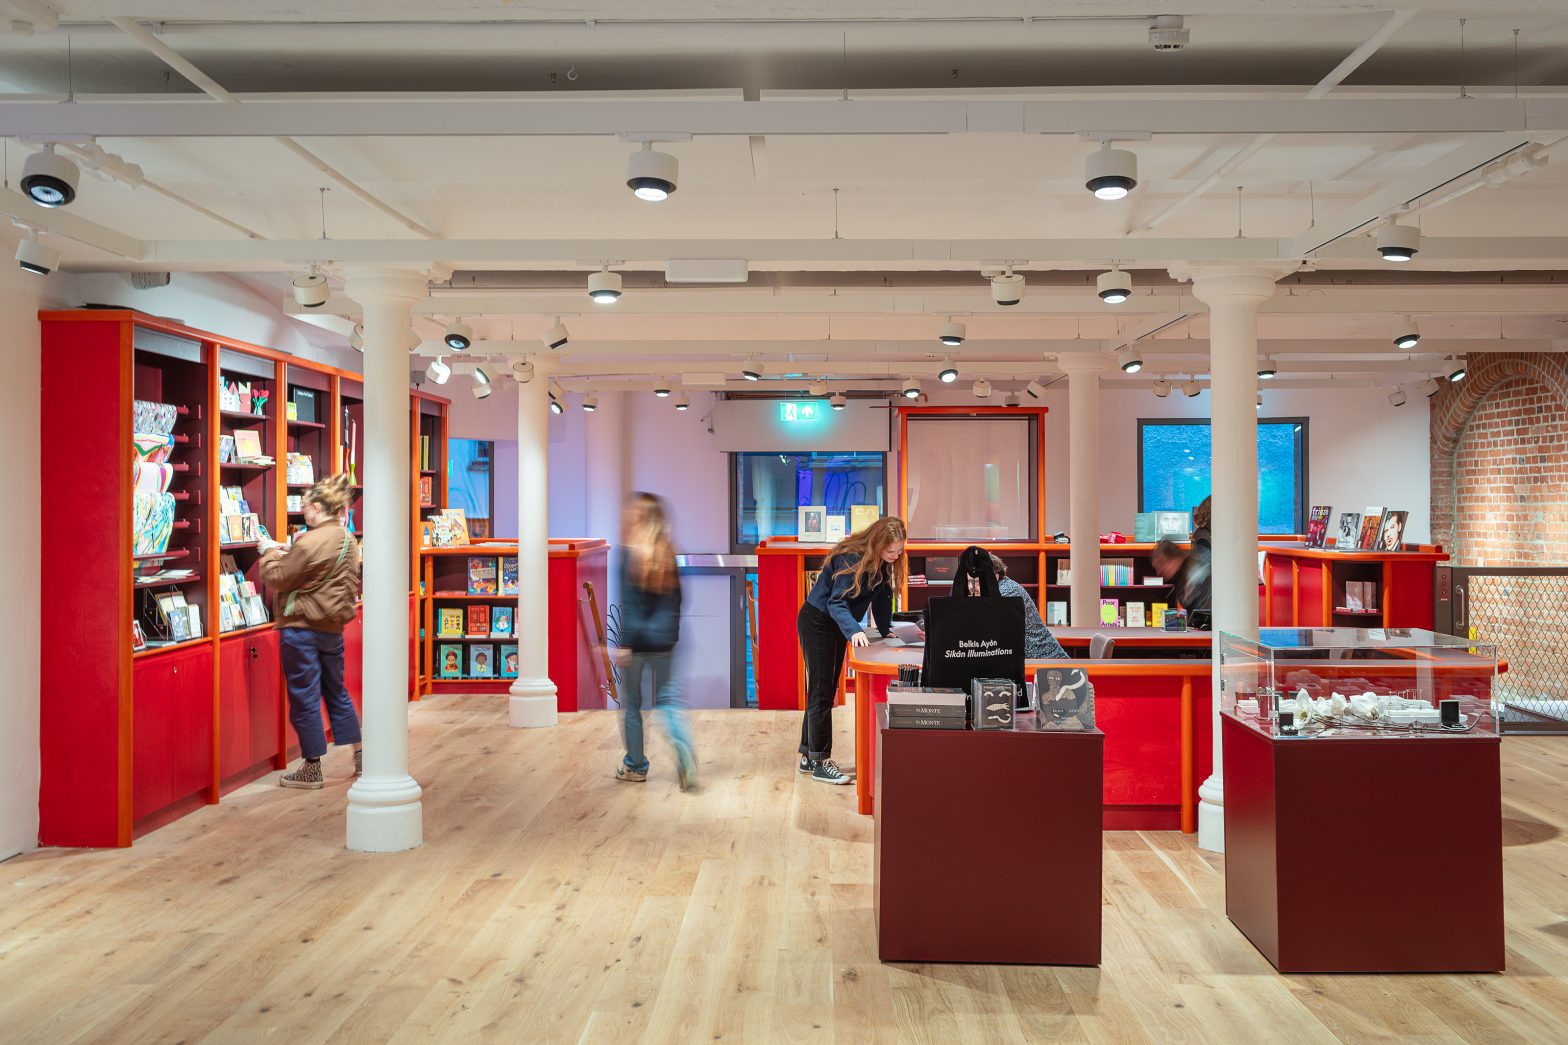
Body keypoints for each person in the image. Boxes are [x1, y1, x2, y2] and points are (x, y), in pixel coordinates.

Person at [259, 472, 362, 789]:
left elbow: (279, 578)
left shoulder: (309, 541)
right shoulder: (348, 540)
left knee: (305, 698)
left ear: (318, 507)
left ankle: (312, 767)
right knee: (336, 692)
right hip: (332, 629)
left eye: (306, 507)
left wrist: (268, 553)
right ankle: (362, 755)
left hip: (301, 629)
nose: (304, 512)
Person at [797, 515, 907, 785]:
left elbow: (882, 596)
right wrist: (855, 630)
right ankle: (821, 761)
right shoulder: (852, 558)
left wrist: (884, 630)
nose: (895, 555)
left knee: (822, 691)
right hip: (819, 621)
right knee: (823, 693)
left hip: (834, 624)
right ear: (877, 543)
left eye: (899, 550)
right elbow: (836, 603)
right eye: (890, 550)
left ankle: (808, 756)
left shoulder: (882, 562)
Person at [614, 492, 697, 790]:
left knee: (632, 705)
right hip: (665, 643)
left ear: (639, 518)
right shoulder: (667, 554)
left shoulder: (628, 556)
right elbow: (679, 602)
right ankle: (683, 749)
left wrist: (624, 643)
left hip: (635, 646)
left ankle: (635, 766)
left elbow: (630, 606)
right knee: (668, 703)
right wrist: (669, 636)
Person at [987, 553, 1069, 660]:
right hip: (1035, 660)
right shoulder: (1003, 586)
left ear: (995, 577)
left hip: (1047, 664)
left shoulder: (1006, 591)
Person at [1152, 536, 1211, 615]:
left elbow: (1204, 612)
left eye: (1161, 564)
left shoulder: (1199, 574)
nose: (1159, 572)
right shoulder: (1180, 578)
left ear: (1174, 560)